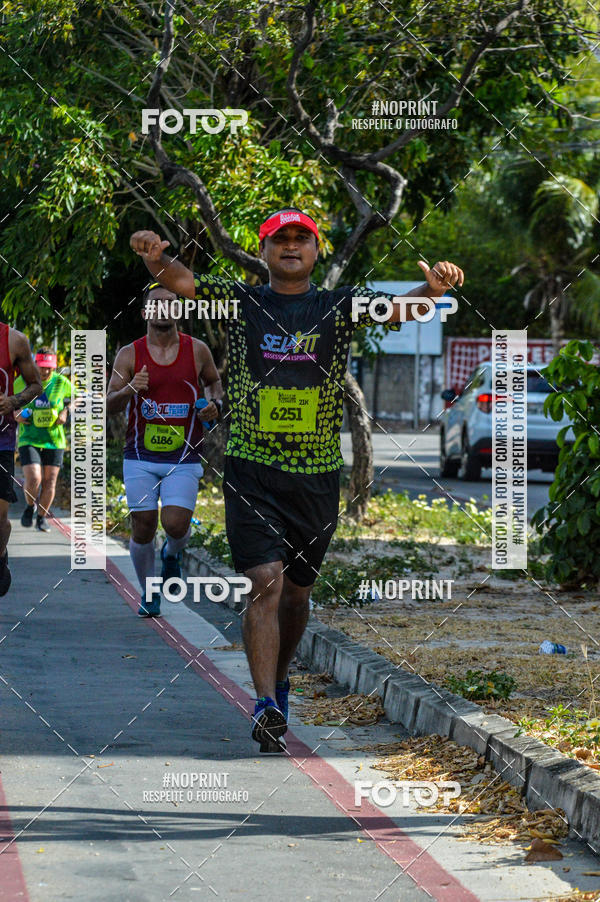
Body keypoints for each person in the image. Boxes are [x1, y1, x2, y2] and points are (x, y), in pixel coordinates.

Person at [130, 210, 464, 751]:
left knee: (296, 595)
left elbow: (400, 307)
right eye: (279, 239)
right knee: (265, 581)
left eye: (300, 238)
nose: (290, 246)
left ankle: (281, 679)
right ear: (263, 251)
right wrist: (155, 259)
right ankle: (264, 702)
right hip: (252, 468)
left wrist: (432, 288)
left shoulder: (339, 304)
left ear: (316, 250)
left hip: (315, 476)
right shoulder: (239, 300)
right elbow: (184, 282)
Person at [107, 284, 224, 617]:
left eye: (170, 304)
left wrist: (214, 405)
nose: (163, 309)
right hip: (140, 457)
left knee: (175, 524)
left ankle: (172, 554)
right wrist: (130, 389)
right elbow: (109, 403)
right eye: (156, 304)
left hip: (183, 457)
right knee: (143, 524)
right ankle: (149, 591)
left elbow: (214, 383)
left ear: (179, 311)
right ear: (145, 312)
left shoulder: (197, 350)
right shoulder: (129, 354)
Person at [0, 323, 43, 593]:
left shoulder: (14, 340)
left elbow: (36, 385)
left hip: (1, 441)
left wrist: (13, 401)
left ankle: (0, 555)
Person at [15, 348, 72, 532]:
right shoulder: (23, 381)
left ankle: (41, 517)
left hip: (54, 440)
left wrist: (66, 411)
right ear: (35, 364)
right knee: (34, 478)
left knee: (50, 481)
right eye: (41, 366)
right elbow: (9, 401)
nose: (45, 371)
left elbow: (79, 397)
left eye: (49, 367)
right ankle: (30, 506)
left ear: (54, 367)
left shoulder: (61, 382)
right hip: (29, 438)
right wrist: (15, 412)